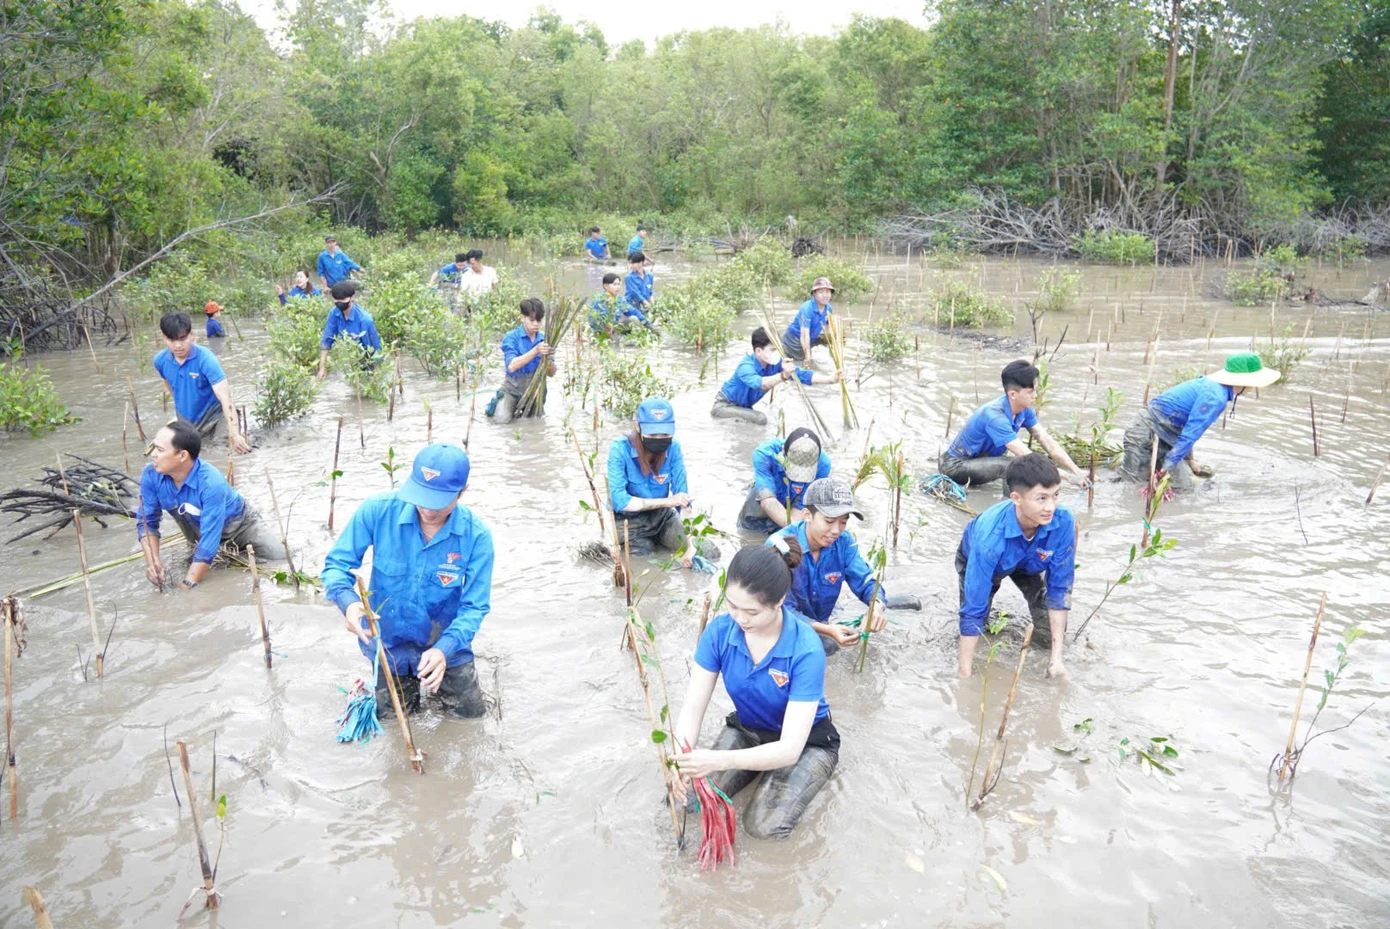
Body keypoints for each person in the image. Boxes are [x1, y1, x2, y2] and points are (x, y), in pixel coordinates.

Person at [670, 540, 838, 840]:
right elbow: (692, 709)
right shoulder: (720, 632)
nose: (740, 619)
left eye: (752, 611)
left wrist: (718, 760)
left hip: (806, 744)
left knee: (763, 828)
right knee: (688, 801)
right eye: (732, 606)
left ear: (779, 601)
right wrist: (679, 760)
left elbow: (789, 750)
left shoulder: (806, 649)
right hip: (749, 730)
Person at [321, 443, 491, 719]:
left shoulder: (476, 537)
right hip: (390, 647)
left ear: (462, 492)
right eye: (421, 496)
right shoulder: (376, 512)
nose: (427, 509)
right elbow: (336, 568)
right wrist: (349, 603)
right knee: (394, 724)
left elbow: (475, 607)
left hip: (447, 643)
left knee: (469, 722)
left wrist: (444, 650)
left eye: (438, 501)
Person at [955, 454, 1076, 680]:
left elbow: (1060, 588)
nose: (1051, 507)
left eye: (1056, 495)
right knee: (979, 620)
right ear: (1016, 498)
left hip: (1029, 561)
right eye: (1041, 498)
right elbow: (973, 608)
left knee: (1047, 633)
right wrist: (964, 676)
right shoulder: (989, 539)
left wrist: (1057, 660)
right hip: (987, 559)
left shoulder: (1063, 521)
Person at [136, 420, 284, 590]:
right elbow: (147, 522)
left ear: (183, 456)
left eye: (160, 450)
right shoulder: (151, 475)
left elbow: (210, 538)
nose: (153, 454)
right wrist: (153, 561)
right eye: (153, 447)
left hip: (240, 527)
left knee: (279, 557)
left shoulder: (211, 483)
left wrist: (189, 582)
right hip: (197, 532)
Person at [1122, 352, 1280, 491]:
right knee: (1132, 487)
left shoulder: (1215, 389)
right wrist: (1166, 469)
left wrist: (1190, 461)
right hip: (1145, 435)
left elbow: (1184, 427)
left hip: (1164, 435)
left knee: (1184, 488)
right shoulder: (1215, 397)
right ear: (1244, 381)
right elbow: (1190, 434)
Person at [767, 479, 886, 655]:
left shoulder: (844, 542)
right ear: (807, 515)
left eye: (843, 522)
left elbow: (865, 580)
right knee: (827, 648)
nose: (837, 530)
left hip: (821, 621)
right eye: (829, 521)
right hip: (782, 627)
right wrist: (825, 630)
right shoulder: (780, 547)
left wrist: (876, 606)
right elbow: (778, 610)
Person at [939, 360, 1090, 489]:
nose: (1035, 396)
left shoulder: (1024, 410)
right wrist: (1067, 477)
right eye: (1031, 392)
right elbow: (1027, 457)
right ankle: (1010, 508)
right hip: (955, 466)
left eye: (1035, 391)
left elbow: (1047, 441)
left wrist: (1076, 471)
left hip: (980, 461)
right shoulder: (994, 416)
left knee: (1019, 465)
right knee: (1014, 466)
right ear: (1013, 394)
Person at [606, 397, 718, 566]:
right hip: (629, 522)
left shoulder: (674, 448)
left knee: (708, 551)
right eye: (652, 434)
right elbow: (620, 501)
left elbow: (682, 499)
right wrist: (667, 501)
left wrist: (691, 542)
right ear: (638, 427)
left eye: (665, 434)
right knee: (644, 560)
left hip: (662, 517)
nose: (659, 438)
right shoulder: (619, 449)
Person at [153, 312, 250, 453]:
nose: (178, 345)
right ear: (164, 337)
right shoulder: (160, 361)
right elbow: (169, 385)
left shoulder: (206, 359)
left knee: (224, 452)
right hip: (188, 423)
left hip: (216, 418)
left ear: (191, 335)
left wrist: (234, 433)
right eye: (172, 340)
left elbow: (225, 398)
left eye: (183, 338)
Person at [712, 326, 841, 425]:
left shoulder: (775, 363)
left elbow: (803, 375)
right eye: (773, 350)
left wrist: (830, 379)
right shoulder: (745, 366)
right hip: (724, 406)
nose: (777, 353)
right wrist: (783, 376)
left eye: (778, 349)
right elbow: (761, 383)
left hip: (743, 407)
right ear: (758, 351)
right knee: (761, 419)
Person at [737, 427, 831, 535]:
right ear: (783, 451)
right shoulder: (764, 454)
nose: (798, 478)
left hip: (791, 512)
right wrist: (796, 530)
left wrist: (791, 533)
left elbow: (801, 505)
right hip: (758, 514)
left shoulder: (823, 465)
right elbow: (767, 500)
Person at [488, 298, 555, 424]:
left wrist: (549, 361)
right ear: (522, 318)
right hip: (512, 390)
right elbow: (512, 366)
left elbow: (551, 373)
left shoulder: (544, 340)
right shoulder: (511, 337)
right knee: (501, 421)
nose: (536, 324)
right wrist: (535, 351)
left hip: (535, 393)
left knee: (536, 424)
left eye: (539, 320)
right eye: (531, 320)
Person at [316, 281, 383, 380]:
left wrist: (376, 376)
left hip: (366, 358)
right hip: (351, 359)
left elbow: (375, 350)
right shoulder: (334, 313)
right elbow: (327, 340)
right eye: (336, 299)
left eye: (343, 299)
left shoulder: (365, 320)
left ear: (352, 298)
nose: (339, 303)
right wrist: (322, 368)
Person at [782, 277, 835, 362]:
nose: (825, 295)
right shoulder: (807, 308)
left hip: (811, 336)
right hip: (794, 339)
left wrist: (832, 345)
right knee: (802, 362)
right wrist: (807, 357)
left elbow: (829, 327)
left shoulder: (829, 308)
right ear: (814, 293)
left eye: (828, 292)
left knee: (822, 342)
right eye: (821, 292)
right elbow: (804, 335)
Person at [624, 251, 654, 316]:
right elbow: (636, 294)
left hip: (644, 304)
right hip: (632, 304)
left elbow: (650, 293)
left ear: (641, 263)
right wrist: (648, 306)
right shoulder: (628, 277)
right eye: (630, 263)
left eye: (633, 263)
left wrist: (653, 306)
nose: (631, 266)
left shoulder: (649, 276)